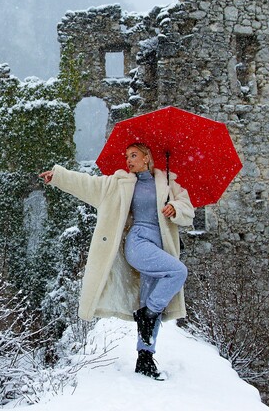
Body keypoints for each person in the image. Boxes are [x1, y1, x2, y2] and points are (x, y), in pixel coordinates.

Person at [39, 143, 194, 380]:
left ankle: (145, 358)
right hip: (138, 242)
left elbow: (188, 210)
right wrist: (59, 177)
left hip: (160, 246)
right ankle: (148, 314)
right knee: (177, 273)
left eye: (133, 155)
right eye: (126, 156)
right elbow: (88, 184)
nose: (128, 160)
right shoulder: (120, 182)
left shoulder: (168, 183)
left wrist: (174, 207)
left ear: (146, 157)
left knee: (150, 301)